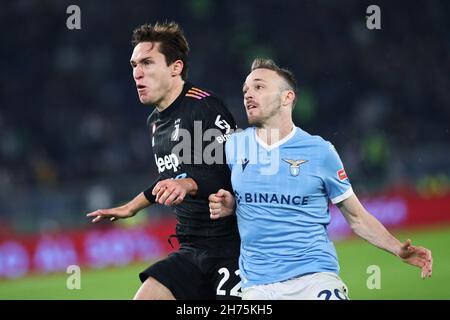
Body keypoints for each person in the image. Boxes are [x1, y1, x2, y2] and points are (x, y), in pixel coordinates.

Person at [208, 58, 433, 300]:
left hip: (314, 278)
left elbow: (356, 217)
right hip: (259, 286)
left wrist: (397, 248)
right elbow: (225, 195)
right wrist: (231, 204)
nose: (248, 95)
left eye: (259, 87)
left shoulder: (319, 152)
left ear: (287, 98)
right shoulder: (233, 146)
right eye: (246, 90)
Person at [87, 22, 241, 300]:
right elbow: (172, 177)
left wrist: (191, 184)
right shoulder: (155, 123)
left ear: (176, 67)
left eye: (147, 62)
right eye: (134, 65)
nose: (137, 73)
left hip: (230, 248)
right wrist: (130, 207)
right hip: (191, 248)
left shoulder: (204, 106)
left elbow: (235, 173)